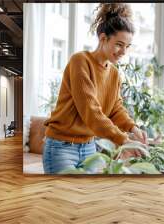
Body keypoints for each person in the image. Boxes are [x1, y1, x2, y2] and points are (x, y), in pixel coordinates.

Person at [43, 3, 148, 174]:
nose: (123, 52)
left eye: (127, 47)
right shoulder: (80, 61)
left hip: (89, 148)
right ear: (103, 38)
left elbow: (115, 108)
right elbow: (91, 112)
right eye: (119, 44)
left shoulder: (114, 73)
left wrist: (132, 128)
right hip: (61, 147)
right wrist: (123, 139)